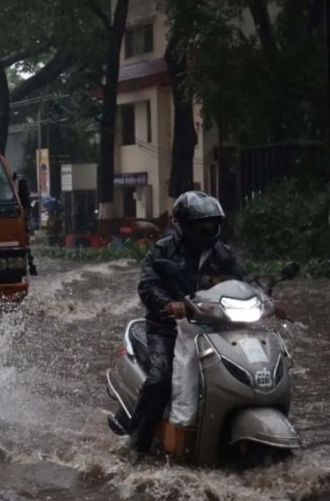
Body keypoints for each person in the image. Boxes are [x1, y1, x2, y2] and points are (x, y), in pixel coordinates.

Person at [110, 190, 279, 454]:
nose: (207, 228)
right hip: (167, 328)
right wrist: (169, 303)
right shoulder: (163, 250)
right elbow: (147, 285)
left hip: (216, 327)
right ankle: (135, 445)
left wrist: (266, 298)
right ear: (184, 225)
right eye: (201, 224)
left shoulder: (223, 253)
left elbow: (245, 280)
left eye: (212, 223)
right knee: (161, 378)